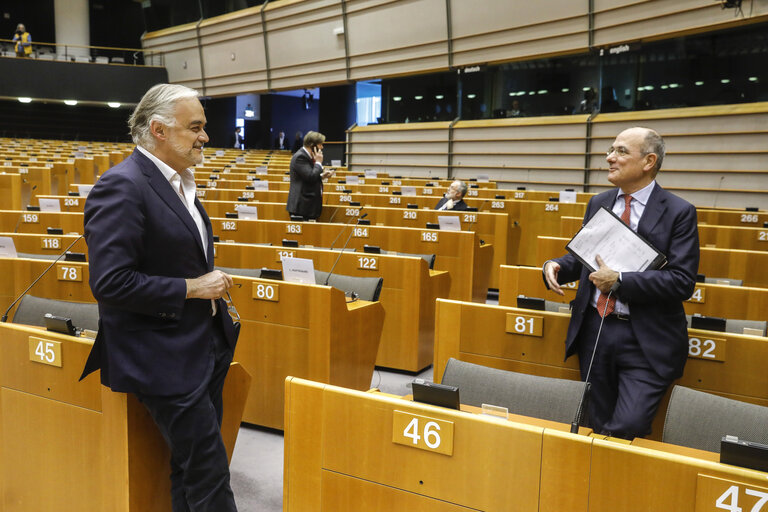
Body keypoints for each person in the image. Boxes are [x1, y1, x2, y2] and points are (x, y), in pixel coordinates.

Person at [80, 83, 239, 511]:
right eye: (196, 127)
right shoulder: (123, 186)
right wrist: (192, 287)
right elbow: (111, 282)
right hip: (160, 355)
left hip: (202, 346)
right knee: (209, 473)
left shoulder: (180, 182)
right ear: (159, 130)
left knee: (189, 469)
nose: (205, 136)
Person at [543, 127, 699, 439]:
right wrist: (558, 265)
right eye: (611, 150)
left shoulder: (679, 212)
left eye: (621, 151)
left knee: (627, 426)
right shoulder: (598, 202)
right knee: (595, 423)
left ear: (649, 161)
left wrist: (621, 281)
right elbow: (589, 257)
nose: (609, 158)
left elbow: (681, 282)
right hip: (594, 330)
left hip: (644, 339)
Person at [286, 131, 334, 220]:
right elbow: (310, 177)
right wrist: (318, 162)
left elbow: (307, 177)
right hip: (301, 207)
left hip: (307, 206)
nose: (322, 147)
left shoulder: (308, 156)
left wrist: (322, 176)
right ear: (312, 145)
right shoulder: (300, 157)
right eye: (320, 144)